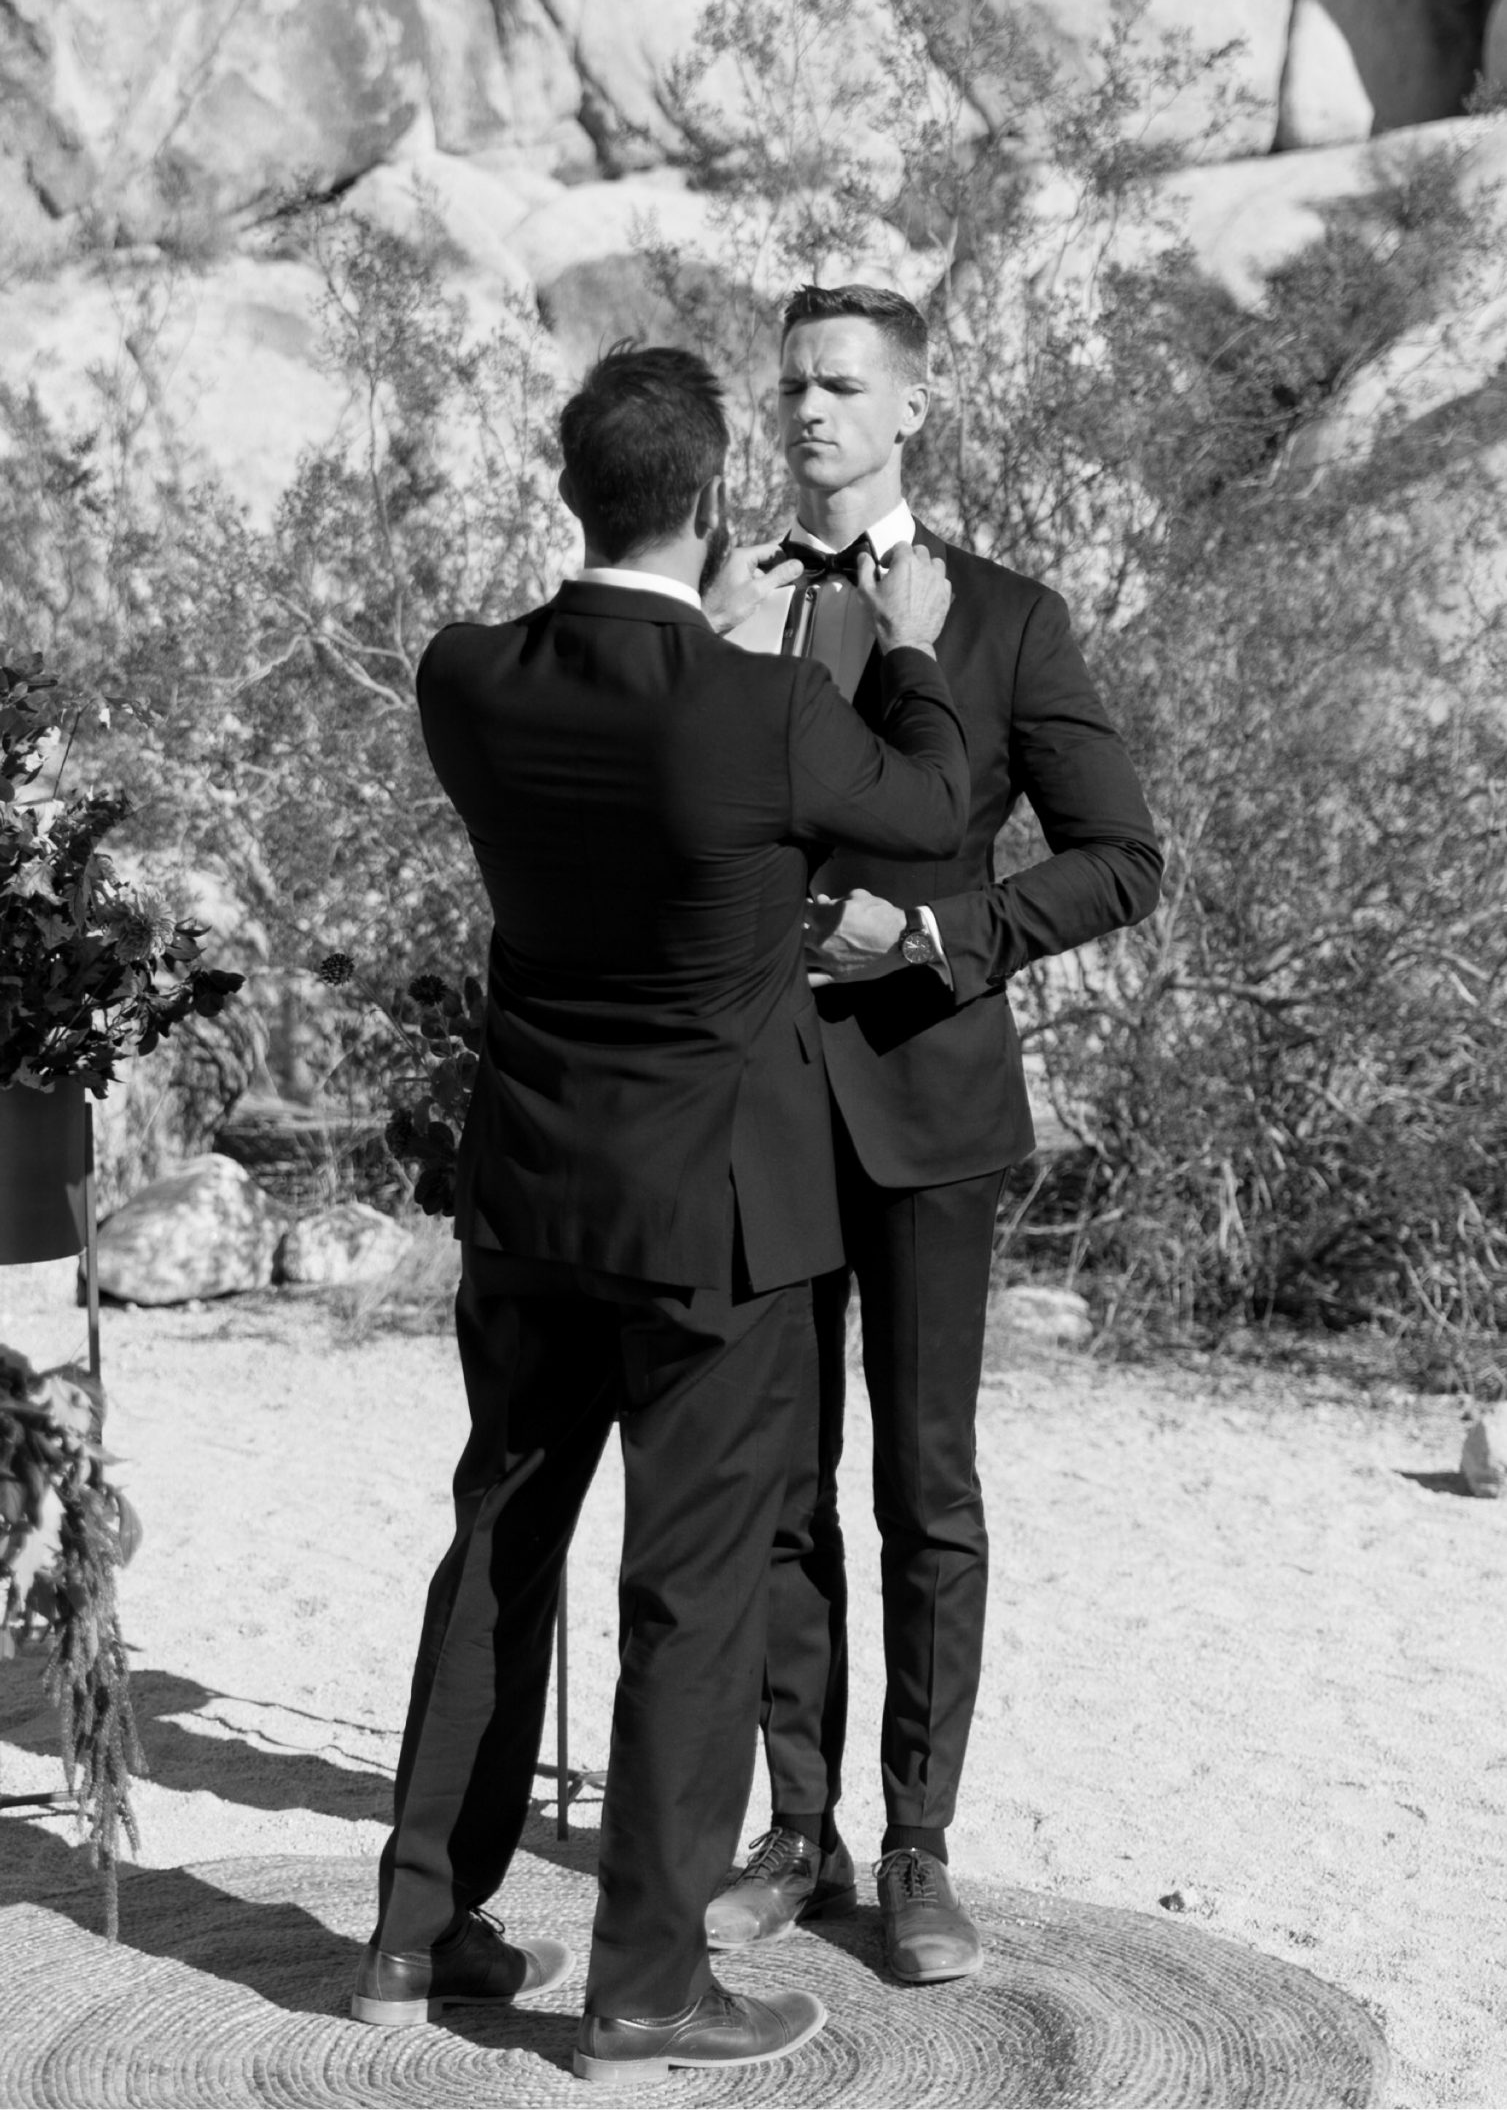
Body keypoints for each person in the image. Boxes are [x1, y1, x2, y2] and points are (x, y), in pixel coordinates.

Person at [353, 343, 971, 2084]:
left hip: (532, 1202)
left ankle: (414, 1929)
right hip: (716, 1224)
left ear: (569, 492)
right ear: (712, 508)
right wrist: (907, 644)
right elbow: (929, 810)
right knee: (691, 1592)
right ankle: (644, 1988)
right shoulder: (764, 708)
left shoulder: (464, 679)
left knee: (498, 1544)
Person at [703, 283, 1163, 1983]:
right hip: (753, 1107)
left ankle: (918, 1850)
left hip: (931, 1103)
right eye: (789, 387)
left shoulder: (1011, 617)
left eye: (837, 387)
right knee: (771, 1488)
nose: (806, 412)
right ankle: (792, 1831)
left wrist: (938, 939)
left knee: (927, 1488)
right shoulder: (722, 599)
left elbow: (1122, 854)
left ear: (911, 408)